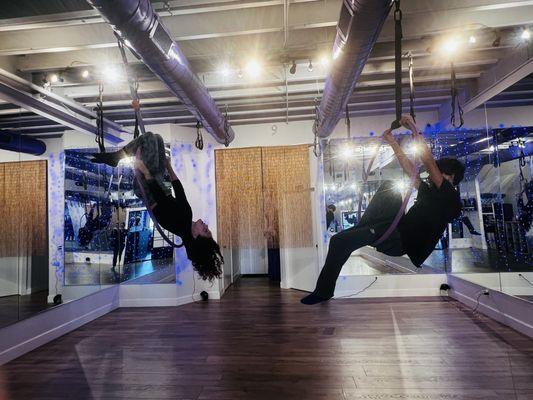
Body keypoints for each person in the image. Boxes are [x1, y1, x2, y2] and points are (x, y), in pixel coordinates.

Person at [301, 115, 464, 305]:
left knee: (338, 241)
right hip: (393, 228)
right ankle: (363, 229)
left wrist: (413, 129)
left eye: (439, 172)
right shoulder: (431, 191)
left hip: (398, 241)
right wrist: (392, 142)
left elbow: (428, 161)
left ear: (450, 177)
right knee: (390, 186)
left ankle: (323, 291)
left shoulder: (449, 196)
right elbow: (410, 170)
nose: (433, 175)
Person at [92, 132, 223, 282]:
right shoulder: (186, 220)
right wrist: (168, 166)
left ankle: (116, 157)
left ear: (195, 236)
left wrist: (144, 170)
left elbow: (160, 199)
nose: (205, 225)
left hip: (149, 188)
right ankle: (116, 157)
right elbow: (180, 192)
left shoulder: (180, 223)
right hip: (159, 184)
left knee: (149, 138)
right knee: (159, 139)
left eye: (205, 230)